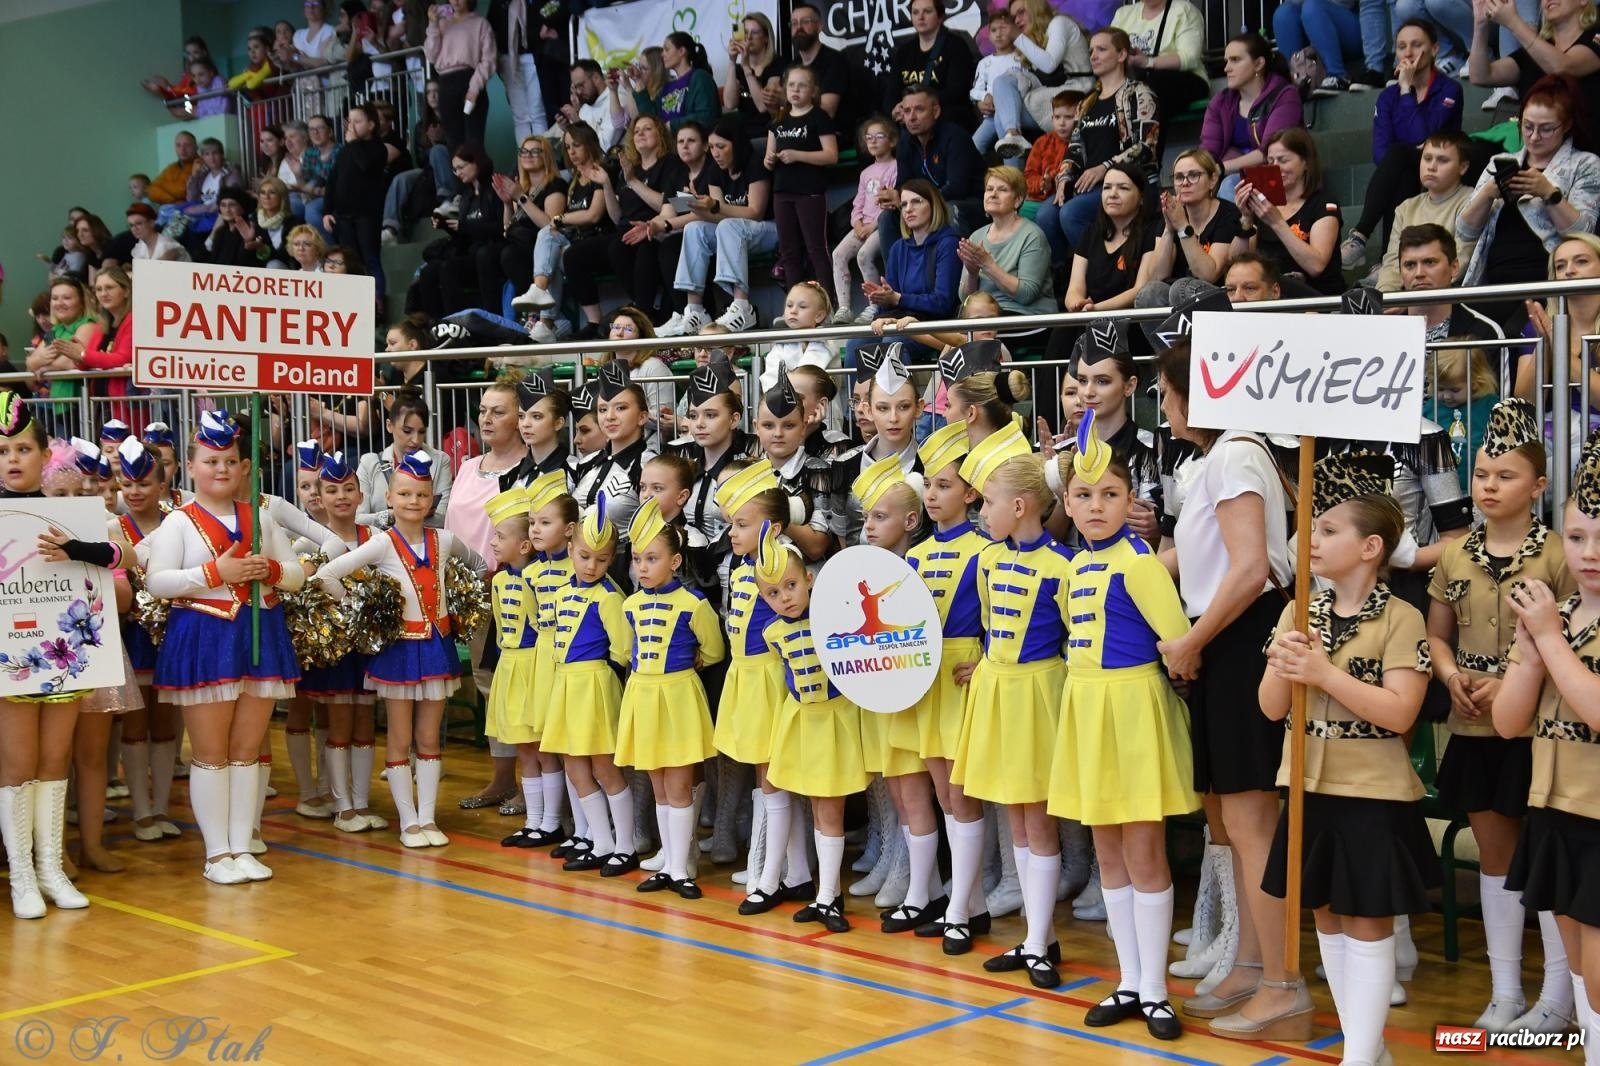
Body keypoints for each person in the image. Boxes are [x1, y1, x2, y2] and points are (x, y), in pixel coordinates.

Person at [1259, 456, 1439, 1066]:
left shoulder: (1402, 617)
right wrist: (1286, 663)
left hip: (1375, 793)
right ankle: (1365, 1048)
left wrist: (1324, 673)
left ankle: (1361, 1056)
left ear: (1369, 547)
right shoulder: (1297, 612)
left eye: (1328, 529)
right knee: (1327, 920)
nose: (1311, 539)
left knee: (1366, 923)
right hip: (1308, 787)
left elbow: (1399, 713)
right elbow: (1268, 707)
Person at [1155, 343, 1308, 1041]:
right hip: (1221, 643)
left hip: (1241, 643)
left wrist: (1191, 642)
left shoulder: (1237, 454)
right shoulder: (1220, 459)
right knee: (1226, 820)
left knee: (1252, 826)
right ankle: (1251, 965)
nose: (1162, 405)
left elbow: (1251, 572)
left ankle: (1284, 982)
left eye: (1166, 391)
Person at [1427, 398, 1579, 1034]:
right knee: (1494, 854)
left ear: (1539, 485)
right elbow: (1436, 635)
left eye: (1506, 475)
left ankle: (1560, 997)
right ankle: (1506, 988)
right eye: (1483, 475)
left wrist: (1514, 679)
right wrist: (1452, 675)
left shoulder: (1560, 557)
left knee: (1545, 858)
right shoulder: (1455, 554)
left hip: (1541, 733)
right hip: (1473, 727)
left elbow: (1574, 642)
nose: (1489, 486)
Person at [1046, 415, 1196, 1041]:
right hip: (1087, 709)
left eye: (1110, 494)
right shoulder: (1074, 567)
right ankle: (1129, 979)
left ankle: (1157, 989)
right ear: (1067, 505)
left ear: (1131, 501)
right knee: (1109, 849)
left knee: (1144, 849)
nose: (1097, 505)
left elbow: (1180, 645)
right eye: (1083, 495)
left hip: (1134, 711)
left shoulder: (1141, 565)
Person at [143, 412, 305, 885]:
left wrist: (270, 572)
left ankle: (242, 845)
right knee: (211, 751)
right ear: (190, 468)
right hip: (205, 636)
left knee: (247, 749)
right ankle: (216, 854)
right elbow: (157, 581)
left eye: (230, 461)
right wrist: (215, 575)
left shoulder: (264, 517)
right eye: (211, 461)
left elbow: (297, 573)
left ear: (244, 468)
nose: (221, 469)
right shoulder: (179, 523)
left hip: (260, 631)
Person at [315, 451, 486, 848]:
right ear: (389, 497)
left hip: (437, 649)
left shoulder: (444, 540)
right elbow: (327, 575)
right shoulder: (381, 544)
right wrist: (364, 610)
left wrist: (462, 604)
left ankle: (428, 817)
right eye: (405, 494)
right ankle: (408, 821)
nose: (414, 502)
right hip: (397, 652)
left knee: (429, 739)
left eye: (422, 495)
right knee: (398, 738)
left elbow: (477, 566)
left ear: (432, 500)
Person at [1495, 428, 1600, 1057]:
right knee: (1586, 975)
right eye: (1579, 536)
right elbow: (1509, 723)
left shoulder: (1557, 626)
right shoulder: (1557, 613)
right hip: (1557, 814)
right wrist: (1531, 649)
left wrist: (1551, 641)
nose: (1590, 552)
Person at [952, 444, 1072, 988]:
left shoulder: (1061, 565)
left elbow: (1077, 636)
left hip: (1039, 693)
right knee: (1017, 820)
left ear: (1021, 506)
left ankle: (1042, 940)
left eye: (989, 502)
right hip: (997, 690)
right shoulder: (987, 559)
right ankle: (1035, 938)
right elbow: (989, 628)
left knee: (1039, 819)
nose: (981, 512)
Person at [755, 519, 867, 931]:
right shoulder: (772, 634)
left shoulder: (831, 620)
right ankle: (823, 893)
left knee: (830, 809)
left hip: (835, 721)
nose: (784, 598)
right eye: (772, 593)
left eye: (790, 586)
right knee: (815, 806)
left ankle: (829, 896)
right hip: (802, 721)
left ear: (809, 579)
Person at [618, 498, 727, 899]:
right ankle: (669, 863)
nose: (642, 567)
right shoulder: (630, 606)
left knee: (680, 786)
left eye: (652, 558)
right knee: (660, 786)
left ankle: (682, 870)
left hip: (679, 696)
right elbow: (630, 653)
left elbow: (713, 650)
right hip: (643, 696)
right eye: (637, 559)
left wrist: (689, 666)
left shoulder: (693, 604)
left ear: (676, 561)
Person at [538, 491, 636, 872]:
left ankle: (624, 846)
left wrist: (600, 678)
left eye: (603, 559)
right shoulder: (564, 593)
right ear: (570, 544)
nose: (592, 566)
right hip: (565, 686)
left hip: (594, 686)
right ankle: (601, 840)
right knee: (574, 766)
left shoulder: (610, 597)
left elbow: (623, 650)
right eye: (584, 556)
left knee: (604, 767)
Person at [1456, 75, 1600, 332]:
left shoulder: (1584, 164)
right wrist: (1488, 193)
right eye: (1527, 126)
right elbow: (1464, 229)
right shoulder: (1499, 162)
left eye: (1546, 129)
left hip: (1547, 279)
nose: (1534, 137)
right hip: (1494, 278)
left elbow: (1583, 233)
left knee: (1516, 336)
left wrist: (1550, 194)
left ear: (1566, 125)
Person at [303, 452, 386, 833]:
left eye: (348, 489)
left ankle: (361, 801)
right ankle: (342, 807)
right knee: (338, 722)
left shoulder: (376, 539)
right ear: (319, 496)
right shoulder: (309, 541)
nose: (341, 497)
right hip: (334, 649)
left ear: (360, 495)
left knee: (365, 720)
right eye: (332, 489)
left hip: (368, 647)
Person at [1341, 20, 1467, 271]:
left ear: (1434, 49)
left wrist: (1406, 89)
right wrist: (1410, 150)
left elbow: (1426, 137)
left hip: (1439, 167)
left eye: (1416, 45)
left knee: (1401, 156)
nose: (1408, 53)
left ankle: (1361, 237)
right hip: (1404, 171)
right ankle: (1388, 262)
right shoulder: (1387, 96)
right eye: (1401, 47)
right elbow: (1380, 152)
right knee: (1401, 167)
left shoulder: (1449, 89)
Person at [1039, 29, 1161, 264]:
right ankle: (1065, 280)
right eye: (1091, 50)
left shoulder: (1139, 93)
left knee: (1071, 213)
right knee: (1046, 215)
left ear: (1122, 54)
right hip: (1091, 186)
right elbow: (1074, 148)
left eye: (1101, 49)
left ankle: (1104, 271)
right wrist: (1064, 177)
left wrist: (1104, 168)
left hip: (1132, 184)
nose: (1093, 55)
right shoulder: (1088, 101)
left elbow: (1147, 145)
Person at [655, 116, 776, 337]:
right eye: (711, 147)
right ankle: (695, 309)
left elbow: (754, 212)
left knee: (729, 226)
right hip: (734, 231)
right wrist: (698, 206)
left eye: (721, 146)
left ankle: (742, 306)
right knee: (694, 228)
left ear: (736, 145)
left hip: (768, 229)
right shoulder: (714, 170)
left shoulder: (754, 163)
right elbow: (716, 216)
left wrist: (715, 206)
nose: (715, 153)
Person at [564, 115, 679, 331]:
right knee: (574, 255)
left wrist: (634, 182)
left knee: (624, 247)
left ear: (660, 134)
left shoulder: (669, 164)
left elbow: (666, 204)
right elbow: (618, 217)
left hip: (654, 230)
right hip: (624, 231)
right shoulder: (629, 167)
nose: (640, 134)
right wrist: (606, 184)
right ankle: (593, 321)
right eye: (636, 131)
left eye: (647, 129)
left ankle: (643, 311)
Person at [512, 121, 614, 339]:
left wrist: (559, 219)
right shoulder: (575, 179)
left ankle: (547, 314)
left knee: (548, 234)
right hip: (577, 242)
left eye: (576, 145)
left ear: (589, 143)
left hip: (600, 240)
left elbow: (593, 214)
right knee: (551, 249)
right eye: (568, 147)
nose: (572, 151)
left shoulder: (601, 172)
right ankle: (546, 324)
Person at [1234, 128, 1345, 296]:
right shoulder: (1262, 205)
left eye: (1283, 160)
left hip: (1318, 299)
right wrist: (1246, 219)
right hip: (1273, 299)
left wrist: (1277, 223)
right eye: (1270, 161)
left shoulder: (1323, 203)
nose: (1275, 167)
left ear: (1306, 162)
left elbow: (1316, 266)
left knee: (1280, 282)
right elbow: (1238, 264)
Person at [879, 85, 984, 258]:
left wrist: (920, 201)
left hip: (970, 204)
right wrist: (894, 195)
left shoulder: (955, 137)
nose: (911, 117)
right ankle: (893, 282)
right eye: (906, 111)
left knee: (950, 210)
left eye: (919, 109)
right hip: (929, 204)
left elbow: (957, 188)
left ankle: (959, 279)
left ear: (935, 111)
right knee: (887, 217)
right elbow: (904, 184)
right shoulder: (905, 143)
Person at [1470, 0, 1600, 138]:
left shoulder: (1595, 36)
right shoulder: (1536, 50)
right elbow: (1481, 76)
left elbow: (1564, 68)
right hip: (1536, 148)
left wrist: (1513, 22)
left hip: (1586, 149)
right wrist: (1480, 25)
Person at [1200, 32, 1304, 203]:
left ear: (1258, 64)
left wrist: (1222, 167)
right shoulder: (1221, 102)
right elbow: (1207, 150)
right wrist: (1202, 169)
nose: (1227, 68)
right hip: (1234, 176)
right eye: (1226, 61)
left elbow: (1269, 151)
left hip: (1278, 177)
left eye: (1235, 60)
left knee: (1230, 185)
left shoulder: (1284, 95)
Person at [986, 0, 1094, 158]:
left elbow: (1049, 65)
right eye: (1013, 17)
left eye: (1021, 12)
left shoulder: (1059, 23)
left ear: (1034, 7)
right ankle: (1012, 139)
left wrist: (1017, 36)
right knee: (1002, 84)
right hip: (1055, 93)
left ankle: (1012, 177)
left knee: (1001, 116)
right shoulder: (1038, 35)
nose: (1016, 20)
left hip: (1079, 93)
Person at [767, 64, 838, 295]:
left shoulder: (819, 116)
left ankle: (829, 302)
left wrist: (798, 155)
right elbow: (769, 157)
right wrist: (769, 160)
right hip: (782, 192)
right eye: (791, 85)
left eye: (802, 85)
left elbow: (831, 155)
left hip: (809, 191)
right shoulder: (778, 119)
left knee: (816, 248)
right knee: (789, 252)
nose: (795, 89)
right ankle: (795, 304)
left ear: (813, 90)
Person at [409, 142, 502, 319]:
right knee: (428, 272)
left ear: (476, 162)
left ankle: (458, 322)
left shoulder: (495, 189)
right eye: (455, 170)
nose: (458, 173)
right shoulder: (466, 197)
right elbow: (464, 238)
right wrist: (448, 227)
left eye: (461, 167)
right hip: (469, 252)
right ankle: (436, 323)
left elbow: (500, 227)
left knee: (448, 268)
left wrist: (464, 226)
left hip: (490, 252)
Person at [1375, 130, 1477, 291]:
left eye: (1442, 160)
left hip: (1451, 294)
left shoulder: (1474, 200)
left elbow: (1461, 258)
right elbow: (1393, 263)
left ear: (1463, 167)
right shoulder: (1406, 208)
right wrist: (1385, 298)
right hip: (1409, 294)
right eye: (1427, 158)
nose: (1431, 166)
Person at [826, 117, 897, 326]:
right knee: (838, 254)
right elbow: (858, 201)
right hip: (861, 225)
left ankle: (874, 305)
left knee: (864, 255)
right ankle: (844, 307)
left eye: (879, 136)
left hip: (878, 225)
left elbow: (889, 203)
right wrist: (856, 222)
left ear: (892, 141)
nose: (873, 141)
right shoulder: (866, 173)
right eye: (869, 138)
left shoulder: (895, 167)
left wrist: (872, 225)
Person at [1063, 163, 1161, 315]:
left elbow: (1141, 289)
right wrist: (1077, 303)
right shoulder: (1091, 232)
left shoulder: (1152, 231)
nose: (1112, 194)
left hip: (1129, 320)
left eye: (1123, 188)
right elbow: (1074, 289)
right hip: (1088, 315)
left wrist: (1095, 309)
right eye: (1107, 187)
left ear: (1141, 198)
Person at [1144, 149, 1240, 302]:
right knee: (1150, 292)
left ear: (1212, 180)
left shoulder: (1228, 214)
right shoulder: (1171, 212)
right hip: (1177, 296)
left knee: (1182, 287)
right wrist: (1169, 229)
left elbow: (1209, 275)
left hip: (1218, 296)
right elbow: (1156, 277)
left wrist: (1182, 226)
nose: (1185, 182)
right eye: (1179, 177)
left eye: (1194, 175)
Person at [958, 167, 1055, 317]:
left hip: (1024, 316)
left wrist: (988, 265)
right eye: (989, 189)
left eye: (1002, 190)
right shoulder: (976, 236)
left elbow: (1026, 295)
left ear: (1017, 200)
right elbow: (966, 300)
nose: (993, 194)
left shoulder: (1032, 235)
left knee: (962, 338)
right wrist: (972, 273)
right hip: (984, 316)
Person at [321, 103, 391, 311]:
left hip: (366, 214)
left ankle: (377, 303)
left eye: (357, 122)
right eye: (349, 122)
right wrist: (326, 210)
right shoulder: (345, 150)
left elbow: (366, 164)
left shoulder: (378, 148)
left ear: (371, 125)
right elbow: (332, 180)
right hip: (342, 215)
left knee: (370, 257)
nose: (351, 126)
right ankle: (351, 304)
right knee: (350, 260)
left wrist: (352, 144)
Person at [497, 134, 566, 330]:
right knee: (492, 255)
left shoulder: (555, 185)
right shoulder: (522, 187)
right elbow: (507, 228)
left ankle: (539, 312)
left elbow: (550, 225)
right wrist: (507, 204)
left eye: (535, 151)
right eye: (524, 151)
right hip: (519, 244)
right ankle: (505, 322)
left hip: (543, 246)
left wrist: (521, 198)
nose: (528, 155)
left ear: (546, 156)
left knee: (509, 255)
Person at [881, 0, 979, 132]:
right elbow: (891, 92)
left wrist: (919, 105)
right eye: (915, 12)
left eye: (927, 11)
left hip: (948, 121)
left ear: (940, 17)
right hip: (910, 125)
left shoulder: (955, 45)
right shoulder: (904, 51)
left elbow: (957, 90)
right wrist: (895, 109)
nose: (920, 17)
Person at [1398, 224, 1505, 344]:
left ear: (1454, 267)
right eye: (1410, 265)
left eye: (1429, 262)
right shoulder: (1384, 330)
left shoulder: (1486, 333)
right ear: (1400, 273)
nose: (1419, 273)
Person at [1274, 0, 1391, 94]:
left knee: (1312, 7)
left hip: (1350, 30)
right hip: (1313, 27)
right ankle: (1293, 83)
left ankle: (1338, 77)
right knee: (1283, 14)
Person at [1113, 0, 1210, 112]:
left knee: (1148, 88)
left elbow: (1190, 58)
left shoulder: (1184, 10)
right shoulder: (1123, 14)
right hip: (1134, 79)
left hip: (1184, 77)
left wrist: (1148, 62)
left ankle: (1147, 129)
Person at [425, 0, 496, 149]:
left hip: (471, 79)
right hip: (445, 81)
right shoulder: (442, 23)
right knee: (454, 141)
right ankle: (457, 173)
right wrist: (432, 24)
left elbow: (489, 60)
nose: (456, 1)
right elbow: (431, 56)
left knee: (474, 140)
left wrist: (474, 88)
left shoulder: (480, 23)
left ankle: (478, 172)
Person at [81, 268, 138, 430]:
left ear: (126, 291)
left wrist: (82, 354)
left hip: (124, 403)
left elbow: (123, 358)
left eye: (109, 287)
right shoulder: (101, 326)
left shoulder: (134, 320)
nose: (103, 293)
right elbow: (85, 362)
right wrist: (77, 355)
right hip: (101, 403)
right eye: (98, 289)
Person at [631, 32, 719, 132]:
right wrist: (638, 80)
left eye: (667, 49)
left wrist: (673, 125)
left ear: (681, 51)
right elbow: (651, 119)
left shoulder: (700, 78)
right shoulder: (667, 87)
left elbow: (707, 117)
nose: (662, 54)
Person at [488, 0, 549, 141]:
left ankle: (543, 158)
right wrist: (494, 58)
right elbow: (492, 30)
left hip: (536, 56)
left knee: (538, 112)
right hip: (508, 59)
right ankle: (526, 158)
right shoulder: (498, 3)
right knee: (520, 115)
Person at [971, 9, 1026, 156]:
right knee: (973, 146)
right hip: (990, 117)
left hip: (1014, 116)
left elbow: (1026, 86)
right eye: (994, 30)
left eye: (1003, 29)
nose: (998, 34)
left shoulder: (1021, 58)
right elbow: (974, 91)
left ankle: (1013, 175)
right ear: (988, 35)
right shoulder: (984, 63)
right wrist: (985, 97)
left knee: (1010, 149)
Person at [724, 12, 783, 140]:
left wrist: (746, 68)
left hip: (769, 134)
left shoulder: (777, 64)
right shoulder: (739, 69)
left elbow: (763, 106)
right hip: (744, 134)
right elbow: (729, 103)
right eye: (744, 32)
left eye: (755, 32)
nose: (748, 37)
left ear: (766, 38)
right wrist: (732, 61)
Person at [788, 1, 850, 122]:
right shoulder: (792, 66)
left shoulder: (834, 61)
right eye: (794, 23)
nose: (799, 27)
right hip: (795, 132)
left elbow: (827, 112)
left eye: (806, 22)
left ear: (820, 26)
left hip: (830, 135)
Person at [553, 59, 625, 152]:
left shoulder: (616, 100)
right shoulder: (585, 106)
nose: (578, 92)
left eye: (581, 85)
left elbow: (605, 147)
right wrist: (568, 128)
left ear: (596, 78)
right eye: (576, 87)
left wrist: (578, 122)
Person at [148, 132, 200, 207]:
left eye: (187, 145)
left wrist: (164, 187)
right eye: (178, 145)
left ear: (196, 147)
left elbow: (183, 190)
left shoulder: (201, 164)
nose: (182, 149)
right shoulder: (172, 167)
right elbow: (151, 190)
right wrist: (173, 201)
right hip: (173, 211)